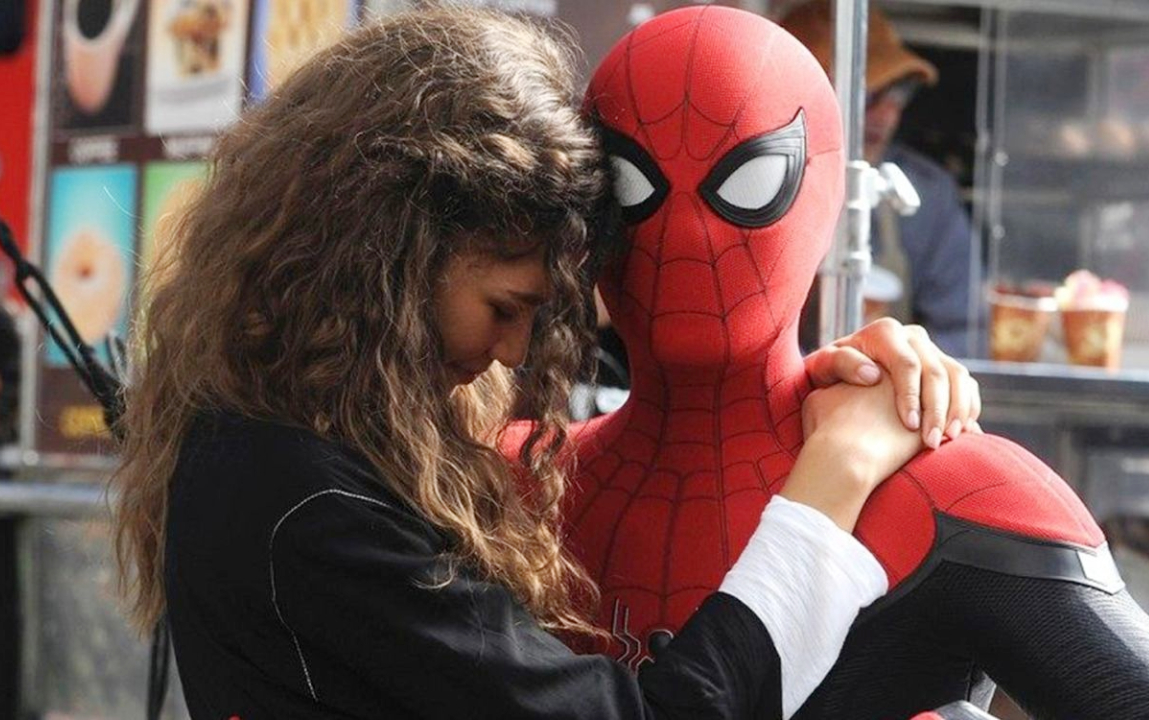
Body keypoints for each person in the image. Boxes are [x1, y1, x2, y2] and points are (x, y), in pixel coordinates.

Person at [108, 8, 982, 719]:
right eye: (505, 307)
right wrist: (833, 480)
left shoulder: (274, 445)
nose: (514, 352)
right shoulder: (316, 508)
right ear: (391, 259)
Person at [572, 6, 1149, 719]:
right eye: (631, 188)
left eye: (751, 181)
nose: (689, 237)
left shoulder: (956, 488)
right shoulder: (506, 488)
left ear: (827, 190)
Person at [781, 1, 974, 357]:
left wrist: (906, 372)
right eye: (868, 95)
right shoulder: (751, 189)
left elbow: (962, 330)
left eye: (900, 92)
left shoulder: (927, 195)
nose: (887, 115)